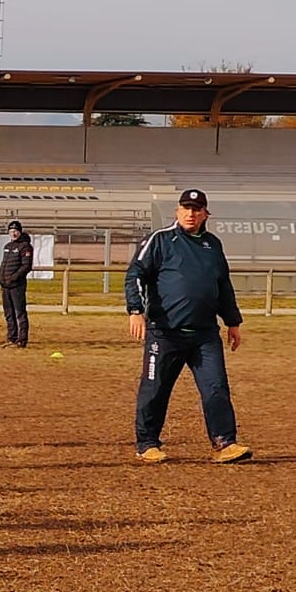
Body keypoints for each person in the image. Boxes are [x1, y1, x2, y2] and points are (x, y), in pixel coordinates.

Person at [126, 188, 252, 464]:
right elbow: (135, 273)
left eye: (196, 209)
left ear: (206, 214)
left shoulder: (213, 245)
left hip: (205, 335)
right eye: (186, 208)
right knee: (155, 389)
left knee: (216, 388)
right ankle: (147, 443)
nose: (190, 214)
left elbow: (223, 285)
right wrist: (135, 311)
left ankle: (225, 443)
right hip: (165, 333)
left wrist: (232, 321)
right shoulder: (160, 240)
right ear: (177, 211)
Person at [0, 221, 33, 347]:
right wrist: (0, 277)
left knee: (19, 312)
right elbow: (4, 264)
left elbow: (26, 266)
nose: (13, 233)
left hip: (17, 286)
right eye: (11, 231)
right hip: (5, 286)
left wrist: (14, 278)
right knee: (9, 313)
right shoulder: (7, 246)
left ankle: (22, 340)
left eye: (16, 231)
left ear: (20, 232)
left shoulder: (25, 247)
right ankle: (11, 337)